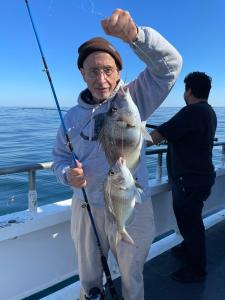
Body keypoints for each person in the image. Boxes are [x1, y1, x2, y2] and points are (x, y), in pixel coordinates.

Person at [52, 8, 182, 300]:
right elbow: (59, 159)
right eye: (93, 71)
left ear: (119, 72)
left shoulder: (133, 99)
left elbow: (170, 65)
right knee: (89, 281)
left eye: (108, 70)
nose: (102, 79)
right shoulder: (71, 118)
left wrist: (136, 37)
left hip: (131, 204)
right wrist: (66, 175)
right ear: (82, 74)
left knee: (132, 277)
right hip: (88, 209)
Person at [150, 71, 217, 283]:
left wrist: (134, 134)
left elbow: (156, 137)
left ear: (189, 90)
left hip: (189, 181)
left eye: (184, 89)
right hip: (201, 178)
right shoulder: (208, 111)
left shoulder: (191, 111)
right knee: (189, 220)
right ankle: (187, 247)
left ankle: (197, 269)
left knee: (191, 224)